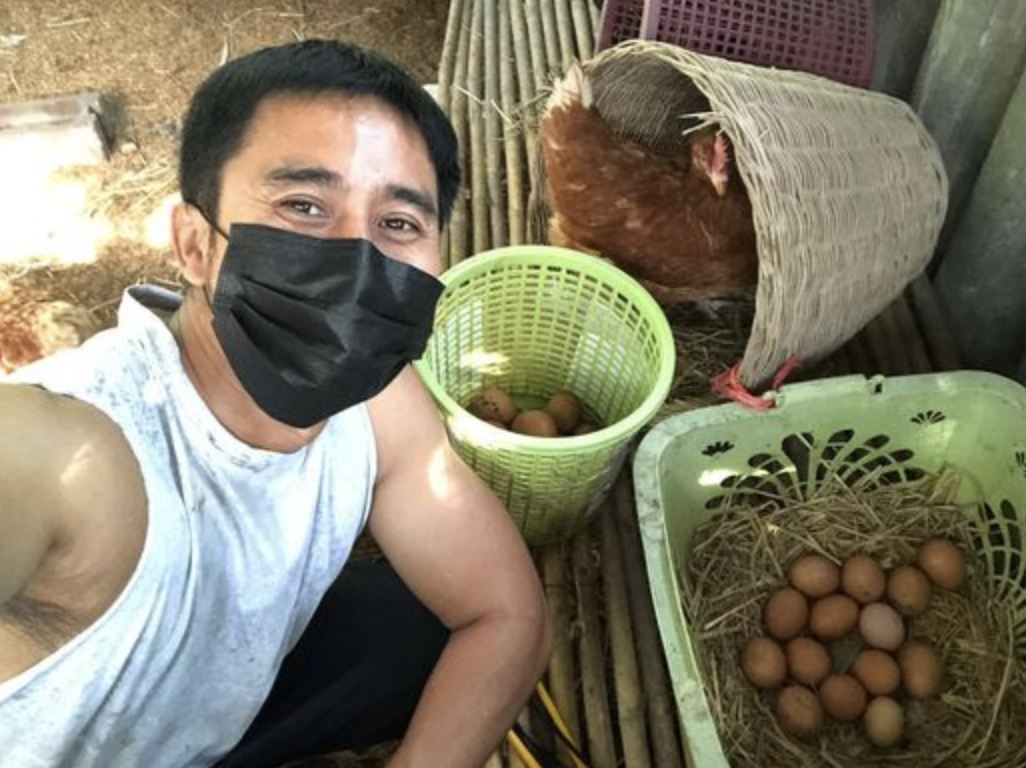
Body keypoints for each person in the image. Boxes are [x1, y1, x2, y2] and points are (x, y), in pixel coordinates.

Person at [0, 39, 551, 767]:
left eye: (398, 223)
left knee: (415, 630)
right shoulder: (74, 455)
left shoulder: (379, 403)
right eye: (303, 205)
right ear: (194, 244)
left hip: (218, 715)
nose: (357, 263)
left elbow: (507, 615)